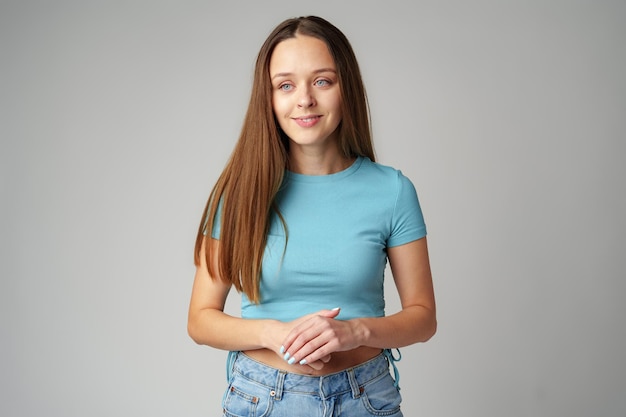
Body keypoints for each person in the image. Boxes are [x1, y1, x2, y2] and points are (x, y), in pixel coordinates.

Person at [188, 15, 436, 417]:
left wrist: (355, 331)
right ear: (268, 98)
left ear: (345, 88)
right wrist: (276, 333)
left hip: (365, 396)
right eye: (285, 85)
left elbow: (423, 318)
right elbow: (200, 319)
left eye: (322, 81)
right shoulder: (240, 193)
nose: (304, 99)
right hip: (262, 398)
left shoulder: (392, 190)